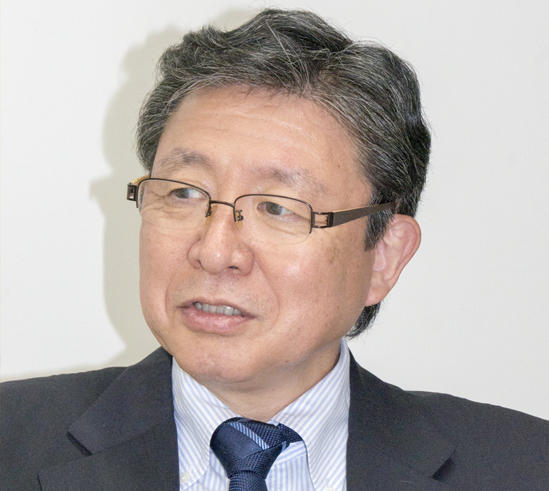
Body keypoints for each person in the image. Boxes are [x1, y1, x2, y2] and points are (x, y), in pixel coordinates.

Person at [1, 8, 547, 491]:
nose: (215, 251)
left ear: (384, 255)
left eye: (277, 207)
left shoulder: (524, 467)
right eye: (184, 193)